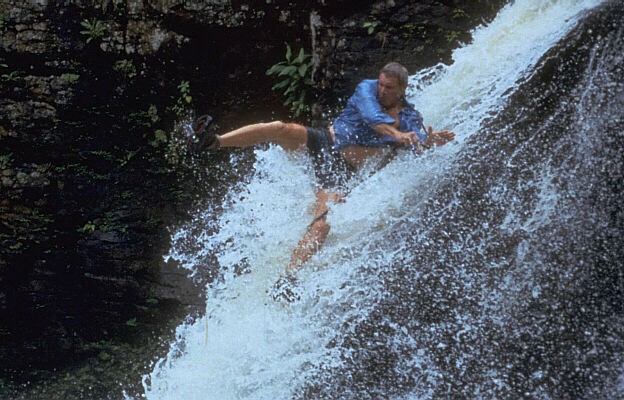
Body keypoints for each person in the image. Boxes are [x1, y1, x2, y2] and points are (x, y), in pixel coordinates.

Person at [189, 62, 455, 297]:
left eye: (389, 88)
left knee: (322, 227)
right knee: (280, 128)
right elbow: (374, 120)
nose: (382, 91)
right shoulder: (366, 90)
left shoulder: (410, 117)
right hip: (324, 142)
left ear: (402, 89)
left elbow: (415, 147)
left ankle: (287, 280)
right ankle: (213, 141)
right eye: (382, 85)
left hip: (340, 173)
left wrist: (428, 142)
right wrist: (398, 136)